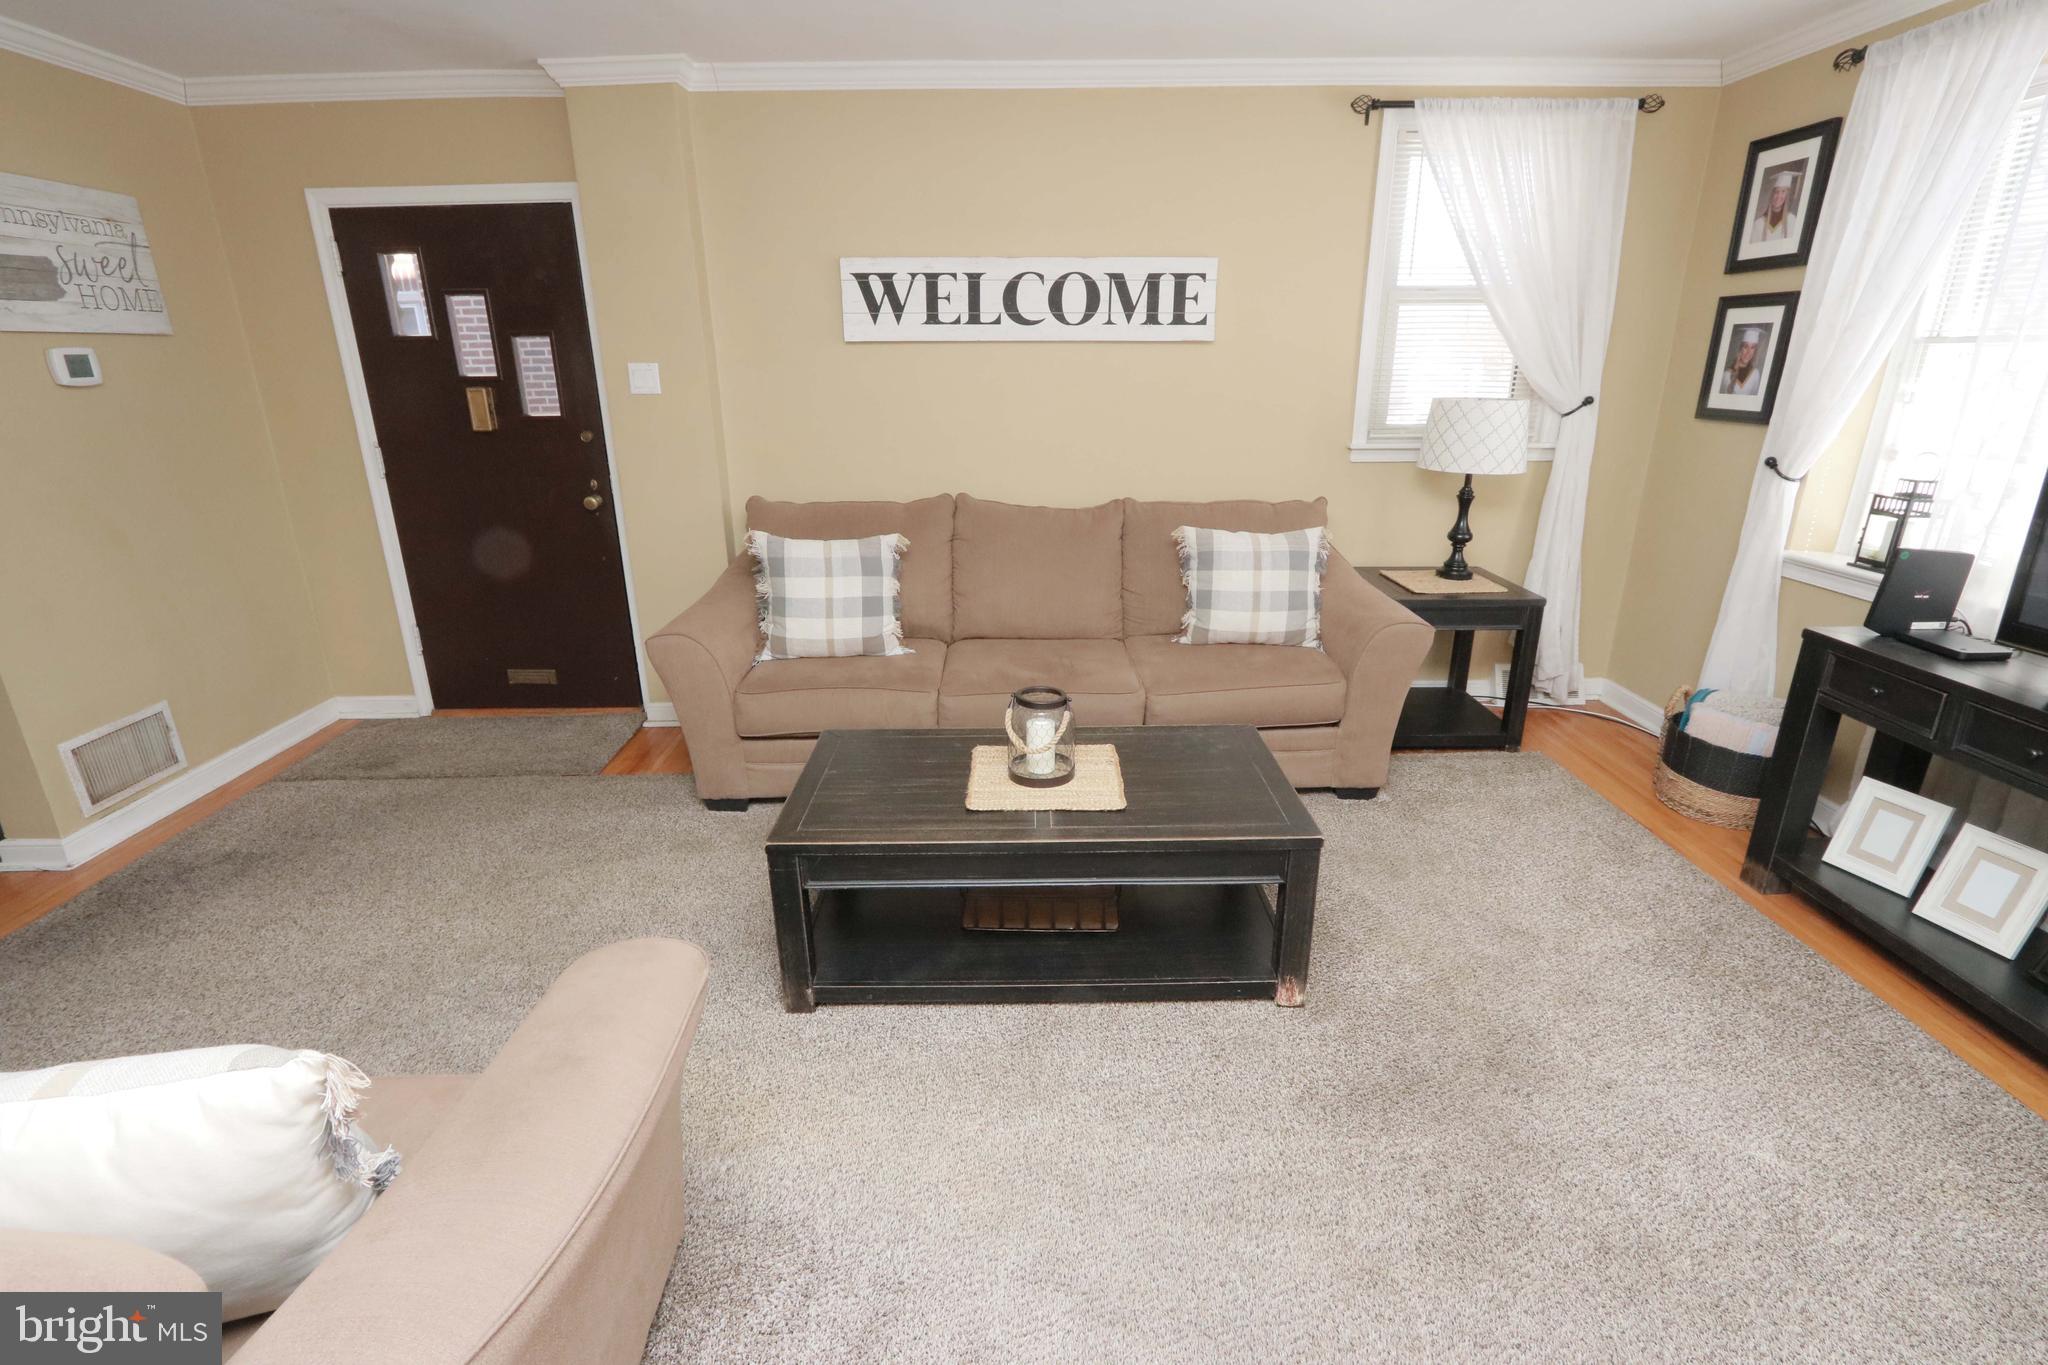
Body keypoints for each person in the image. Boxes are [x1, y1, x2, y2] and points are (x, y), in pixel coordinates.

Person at [1750, 168, 1802, 244]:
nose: (1779, 196)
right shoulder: (1758, 223)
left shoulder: (1792, 220)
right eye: (1776, 192)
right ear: (1771, 195)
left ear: (1787, 196)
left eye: (1783, 192)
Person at [1721, 327, 1765, 396]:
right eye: (1745, 347)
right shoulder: (1726, 375)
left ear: (1755, 351)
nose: (1748, 352)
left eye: (1752, 347)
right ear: (1740, 349)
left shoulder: (1755, 374)